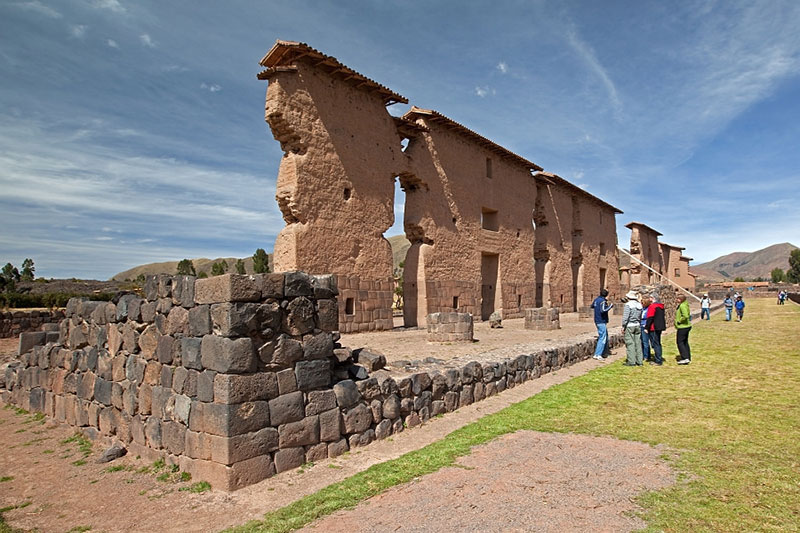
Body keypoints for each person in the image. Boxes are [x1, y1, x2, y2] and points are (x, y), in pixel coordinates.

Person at [621, 290, 643, 366]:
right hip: (637, 324)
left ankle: (631, 361)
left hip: (630, 325)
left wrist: (623, 326)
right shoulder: (639, 305)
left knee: (630, 343)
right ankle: (639, 360)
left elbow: (625, 317)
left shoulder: (628, 305)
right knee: (638, 343)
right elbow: (640, 316)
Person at [591, 289, 614, 360]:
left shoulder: (596, 300)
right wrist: (610, 306)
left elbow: (592, 306)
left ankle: (604, 351)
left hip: (597, 320)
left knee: (605, 335)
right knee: (602, 337)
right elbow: (603, 310)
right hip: (601, 321)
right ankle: (597, 354)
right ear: (606, 295)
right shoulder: (603, 301)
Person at [645, 294, 666, 365]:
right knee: (658, 343)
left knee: (655, 344)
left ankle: (658, 360)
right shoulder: (661, 306)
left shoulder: (652, 306)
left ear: (653, 298)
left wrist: (646, 327)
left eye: (650, 297)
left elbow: (650, 318)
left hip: (653, 327)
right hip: (659, 327)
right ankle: (658, 358)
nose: (649, 299)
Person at [675, 294, 692, 365]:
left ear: (680, 299)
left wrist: (679, 320)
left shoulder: (682, 306)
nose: (676, 300)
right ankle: (687, 356)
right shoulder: (685, 304)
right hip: (686, 326)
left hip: (683, 326)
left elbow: (685, 315)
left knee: (680, 342)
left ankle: (685, 358)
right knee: (685, 342)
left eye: (677, 299)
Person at [640, 295, 653, 361]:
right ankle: (642, 354)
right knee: (642, 341)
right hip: (641, 325)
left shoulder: (649, 309)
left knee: (645, 342)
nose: (641, 304)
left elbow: (648, 318)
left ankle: (646, 356)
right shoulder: (643, 309)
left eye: (642, 303)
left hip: (645, 326)